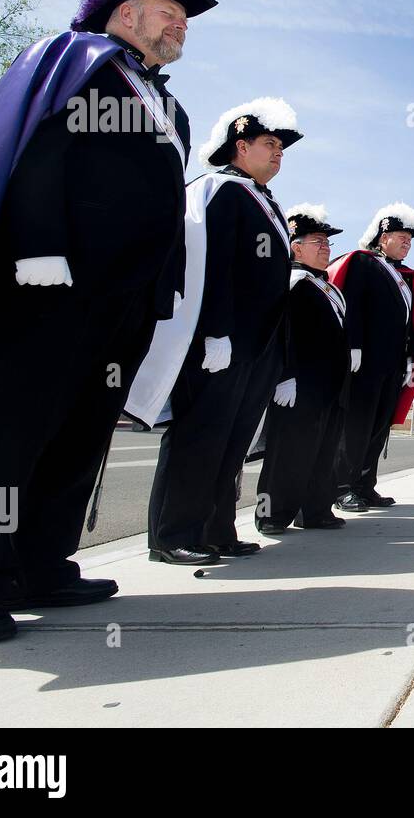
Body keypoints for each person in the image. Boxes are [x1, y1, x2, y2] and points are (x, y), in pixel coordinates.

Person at [0, 0, 215, 645]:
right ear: (126, 9)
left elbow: (163, 205)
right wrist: (39, 246)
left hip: (123, 301)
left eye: (184, 21)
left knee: (78, 435)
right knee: (9, 430)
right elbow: (36, 152)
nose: (181, 28)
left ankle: (37, 562)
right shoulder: (78, 60)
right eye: (171, 14)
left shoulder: (166, 104)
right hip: (48, 285)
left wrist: (161, 290)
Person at [127, 98, 302, 565]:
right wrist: (215, 332)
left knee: (230, 443)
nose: (279, 153)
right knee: (199, 437)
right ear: (240, 146)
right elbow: (210, 266)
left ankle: (216, 529)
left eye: (281, 147)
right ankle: (172, 535)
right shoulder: (219, 190)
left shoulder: (263, 200)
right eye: (270, 144)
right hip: (220, 343)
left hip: (256, 347)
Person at [328, 204, 414, 511]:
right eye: (402, 236)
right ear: (383, 237)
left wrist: (411, 361)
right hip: (365, 362)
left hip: (393, 364)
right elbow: (352, 304)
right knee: (356, 426)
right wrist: (353, 345)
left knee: (378, 427)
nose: (408, 242)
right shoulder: (364, 262)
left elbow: (412, 324)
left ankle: (364, 485)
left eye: (410, 238)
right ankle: (342, 487)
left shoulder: (405, 277)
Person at [256, 205, 348, 534]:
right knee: (288, 453)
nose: (325, 248)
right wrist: (285, 376)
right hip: (298, 384)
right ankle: (271, 514)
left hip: (329, 386)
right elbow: (282, 332)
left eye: (327, 243)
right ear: (296, 246)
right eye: (318, 242)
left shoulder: (327, 287)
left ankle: (315, 510)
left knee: (323, 451)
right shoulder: (292, 282)